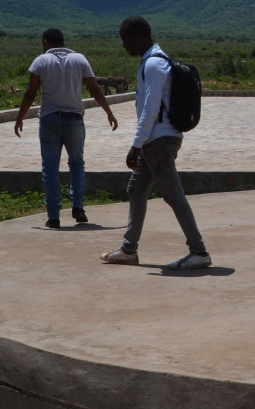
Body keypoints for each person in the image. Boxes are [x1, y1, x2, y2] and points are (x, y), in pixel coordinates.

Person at [100, 15, 211, 269]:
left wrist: (135, 145)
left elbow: (150, 110)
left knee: (174, 195)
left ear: (138, 38)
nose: (124, 46)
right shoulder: (155, 61)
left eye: (126, 41)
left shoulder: (153, 65)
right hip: (158, 139)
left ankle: (199, 251)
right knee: (136, 189)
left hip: (159, 142)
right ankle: (129, 249)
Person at [14, 28, 119, 228]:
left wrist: (20, 118)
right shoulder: (80, 60)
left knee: (50, 169)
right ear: (63, 42)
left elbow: (30, 93)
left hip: (49, 120)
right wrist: (109, 113)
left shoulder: (40, 61)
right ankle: (78, 207)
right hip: (74, 120)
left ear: (46, 42)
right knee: (77, 163)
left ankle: (53, 216)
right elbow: (94, 88)